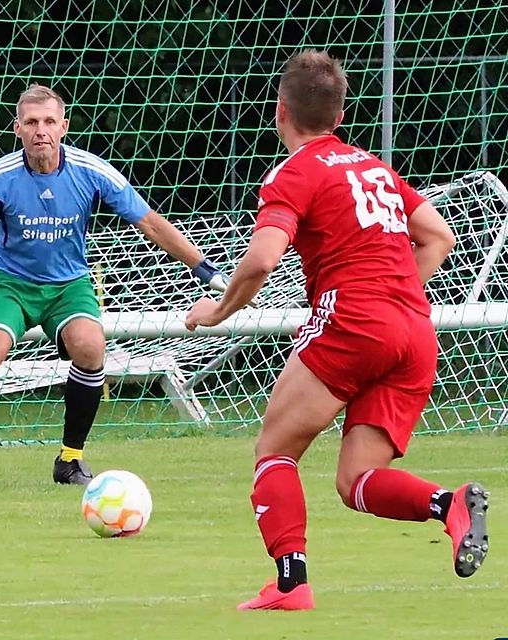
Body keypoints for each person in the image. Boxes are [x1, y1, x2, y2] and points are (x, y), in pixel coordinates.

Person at [184, 50, 488, 611]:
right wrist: (393, 301)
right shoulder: (373, 166)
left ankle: (291, 585)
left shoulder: (293, 173)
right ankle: (453, 505)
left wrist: (216, 312)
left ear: (280, 111)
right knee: (356, 481)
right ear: (341, 115)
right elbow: (439, 237)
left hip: (352, 322)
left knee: (275, 451)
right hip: (415, 331)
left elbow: (262, 259)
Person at [0, 83, 228, 487]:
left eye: (49, 121)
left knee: (91, 346)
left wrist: (205, 269)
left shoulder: (91, 171)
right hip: (11, 286)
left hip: (69, 285)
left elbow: (150, 222)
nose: (41, 130)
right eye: (32, 122)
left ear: (64, 126)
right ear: (17, 128)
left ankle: (70, 460)